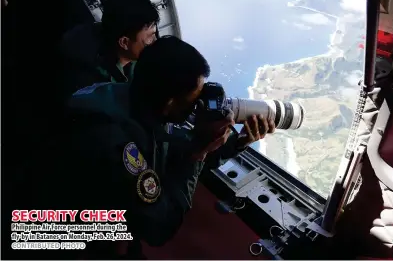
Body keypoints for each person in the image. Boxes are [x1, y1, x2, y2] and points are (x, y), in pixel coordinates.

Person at [27, 36, 275, 258]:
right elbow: (159, 228)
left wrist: (238, 142)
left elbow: (177, 156)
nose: (196, 107)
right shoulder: (116, 141)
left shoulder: (134, 100)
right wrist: (198, 153)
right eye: (192, 100)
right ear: (169, 102)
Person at [60, 0, 159, 99]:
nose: (154, 42)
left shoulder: (133, 59)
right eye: (149, 38)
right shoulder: (87, 79)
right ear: (124, 42)